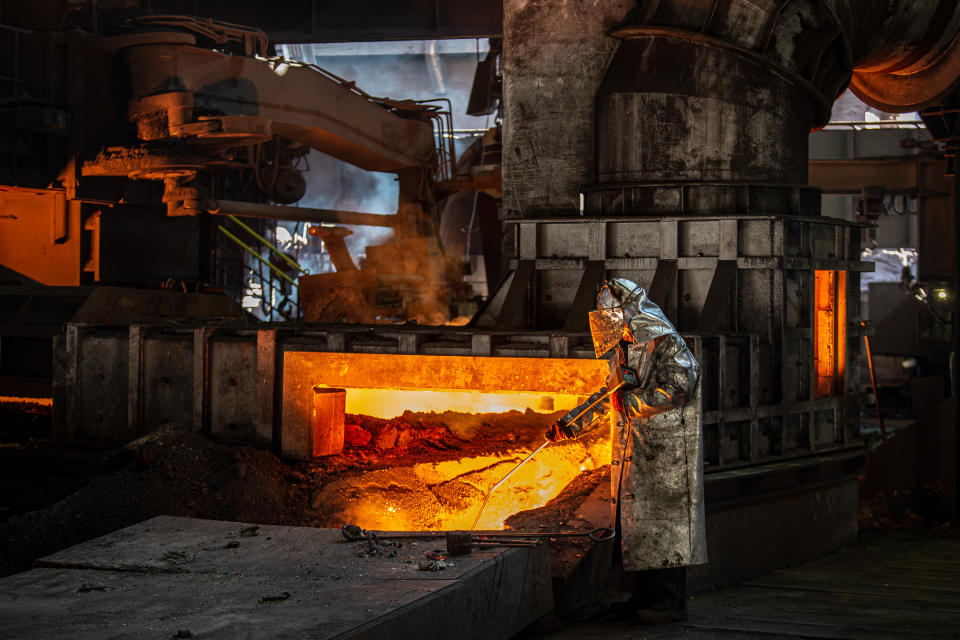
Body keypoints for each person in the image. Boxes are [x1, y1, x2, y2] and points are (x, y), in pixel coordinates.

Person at [545, 277, 706, 624]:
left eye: (616, 318)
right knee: (639, 530)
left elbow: (681, 385)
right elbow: (607, 397)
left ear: (632, 314)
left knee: (665, 531)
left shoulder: (667, 343)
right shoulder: (624, 349)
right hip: (636, 453)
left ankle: (671, 604)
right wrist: (570, 424)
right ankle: (641, 598)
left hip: (666, 454)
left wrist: (631, 401)